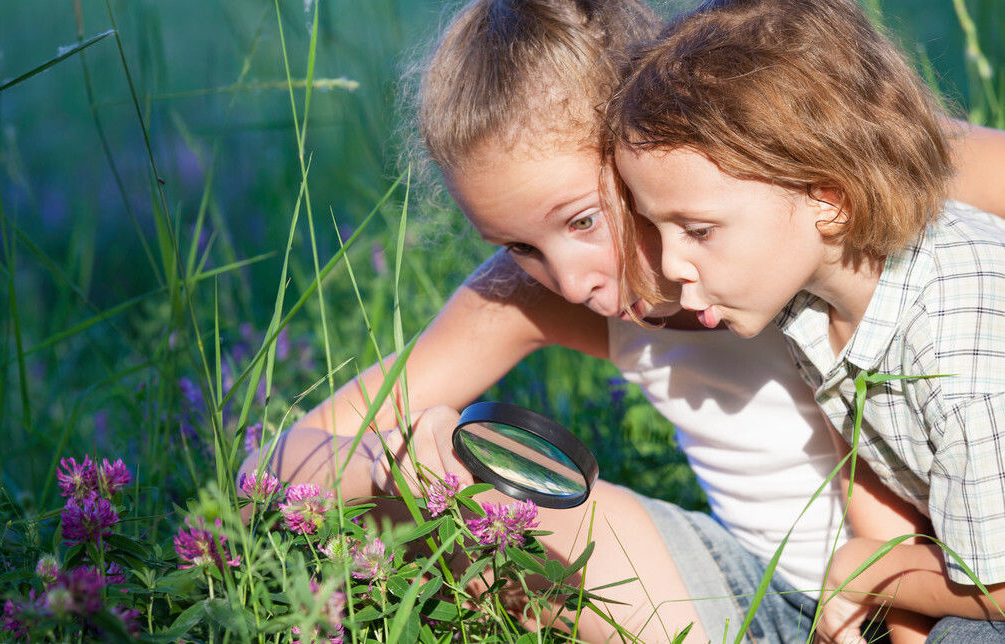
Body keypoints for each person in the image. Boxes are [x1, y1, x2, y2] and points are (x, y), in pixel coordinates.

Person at [240, 1, 1005, 641]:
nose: (570, 281)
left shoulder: (817, 170)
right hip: (751, 593)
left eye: (581, 219)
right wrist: (392, 462)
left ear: (650, 139)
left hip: (952, 588)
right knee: (465, 509)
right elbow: (268, 466)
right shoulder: (533, 293)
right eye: (517, 244)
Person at [604, 0, 1005, 641]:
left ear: (828, 199)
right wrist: (892, 604)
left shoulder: (959, 343)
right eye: (655, 225)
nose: (670, 264)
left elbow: (996, 589)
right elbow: (876, 465)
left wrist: (866, 575)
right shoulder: (813, 302)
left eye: (698, 229)